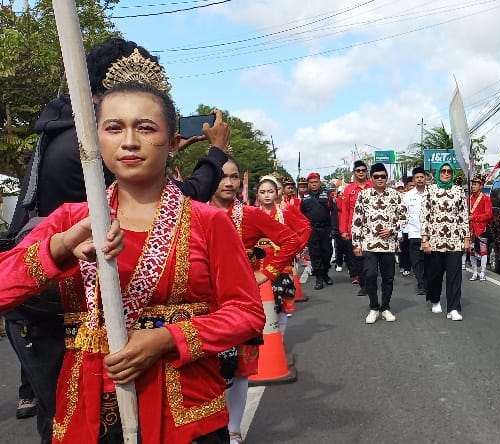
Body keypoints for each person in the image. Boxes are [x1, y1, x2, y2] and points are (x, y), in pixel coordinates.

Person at [0, 82, 265, 443]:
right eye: (113, 127)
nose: (128, 141)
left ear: (173, 143)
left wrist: (166, 338)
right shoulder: (70, 220)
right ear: (95, 140)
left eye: (145, 128)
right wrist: (60, 247)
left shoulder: (208, 222)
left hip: (184, 410)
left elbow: (247, 313)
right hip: (89, 408)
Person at [210, 158, 300, 444]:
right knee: (208, 369)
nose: (228, 183)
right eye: (222, 176)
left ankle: (234, 429)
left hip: (240, 302)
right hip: (202, 303)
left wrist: (267, 273)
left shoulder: (251, 215)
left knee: (239, 368)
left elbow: (290, 241)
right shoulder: (193, 212)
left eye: (233, 177)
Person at [351, 163, 408, 324]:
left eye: (383, 176)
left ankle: (385, 307)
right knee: (370, 275)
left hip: (389, 244)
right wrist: (356, 244)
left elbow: (404, 218)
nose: (380, 179)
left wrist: (392, 229)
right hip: (369, 243)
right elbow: (357, 221)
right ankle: (374, 307)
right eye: (377, 176)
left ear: (387, 177)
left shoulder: (396, 195)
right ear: (371, 178)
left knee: (388, 277)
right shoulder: (364, 195)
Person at [256, 176, 311, 332]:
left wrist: (295, 248)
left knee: (280, 307)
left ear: (276, 193)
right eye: (262, 192)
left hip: (281, 266)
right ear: (257, 195)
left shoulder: (285, 211)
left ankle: (278, 341)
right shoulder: (250, 213)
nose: (266, 195)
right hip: (257, 267)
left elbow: (305, 228)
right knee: (260, 307)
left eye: (271, 191)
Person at [422, 162, 470, 321]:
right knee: (435, 274)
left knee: (455, 275)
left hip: (454, 239)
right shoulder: (430, 190)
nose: (446, 173)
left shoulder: (458, 190)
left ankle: (453, 308)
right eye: (443, 171)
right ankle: (435, 299)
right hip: (435, 240)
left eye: (449, 171)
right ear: (438, 173)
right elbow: (425, 216)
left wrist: (466, 238)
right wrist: (425, 239)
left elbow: (463, 216)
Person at [338, 160, 372, 294]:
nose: (361, 173)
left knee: (371, 258)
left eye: (363, 170)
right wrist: (343, 230)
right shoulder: (349, 190)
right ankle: (363, 285)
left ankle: (371, 282)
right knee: (358, 259)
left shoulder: (373, 186)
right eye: (358, 170)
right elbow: (344, 211)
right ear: (354, 173)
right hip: (354, 230)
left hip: (372, 230)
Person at [301, 172, 338, 290]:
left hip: (326, 228)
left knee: (327, 252)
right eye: (311, 183)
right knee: (315, 254)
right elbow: (301, 216)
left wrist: (335, 228)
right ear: (308, 184)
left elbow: (334, 213)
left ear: (320, 182)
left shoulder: (328, 195)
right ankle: (319, 277)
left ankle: (325, 273)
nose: (313, 185)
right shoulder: (305, 198)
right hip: (312, 229)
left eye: (316, 182)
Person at [402, 167, 428, 295]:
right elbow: (403, 215)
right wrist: (401, 233)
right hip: (414, 233)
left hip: (429, 235)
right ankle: (421, 284)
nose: (419, 179)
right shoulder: (408, 196)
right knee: (416, 261)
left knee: (428, 261)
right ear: (413, 179)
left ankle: (427, 281)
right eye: (417, 177)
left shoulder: (432, 193)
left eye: (421, 177)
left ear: (425, 179)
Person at [468, 174, 492, 281]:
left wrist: (474, 217)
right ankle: (474, 272)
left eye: (475, 184)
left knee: (483, 251)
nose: (473, 186)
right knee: (472, 251)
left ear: (481, 186)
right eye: (472, 184)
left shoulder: (486, 199)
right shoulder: (469, 199)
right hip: (471, 229)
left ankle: (482, 272)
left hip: (482, 228)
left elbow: (488, 215)